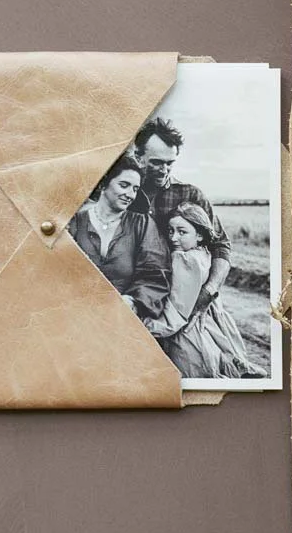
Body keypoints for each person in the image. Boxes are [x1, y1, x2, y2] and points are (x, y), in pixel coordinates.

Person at [144, 202, 265, 379]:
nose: (173, 238)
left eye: (182, 232)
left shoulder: (185, 260)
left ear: (200, 235)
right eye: (171, 231)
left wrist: (146, 327)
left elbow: (176, 313)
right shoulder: (204, 254)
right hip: (212, 328)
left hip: (189, 335)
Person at [130, 117, 231, 318]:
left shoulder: (190, 195)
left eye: (170, 163)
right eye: (156, 163)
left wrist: (209, 291)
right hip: (135, 296)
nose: (164, 170)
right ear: (138, 157)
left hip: (186, 298)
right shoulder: (123, 195)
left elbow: (220, 245)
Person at [67, 155, 171, 318]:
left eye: (135, 189)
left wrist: (132, 302)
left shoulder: (142, 224)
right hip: (72, 315)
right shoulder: (73, 222)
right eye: (124, 185)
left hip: (121, 319)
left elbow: (155, 274)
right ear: (103, 184)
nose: (130, 194)